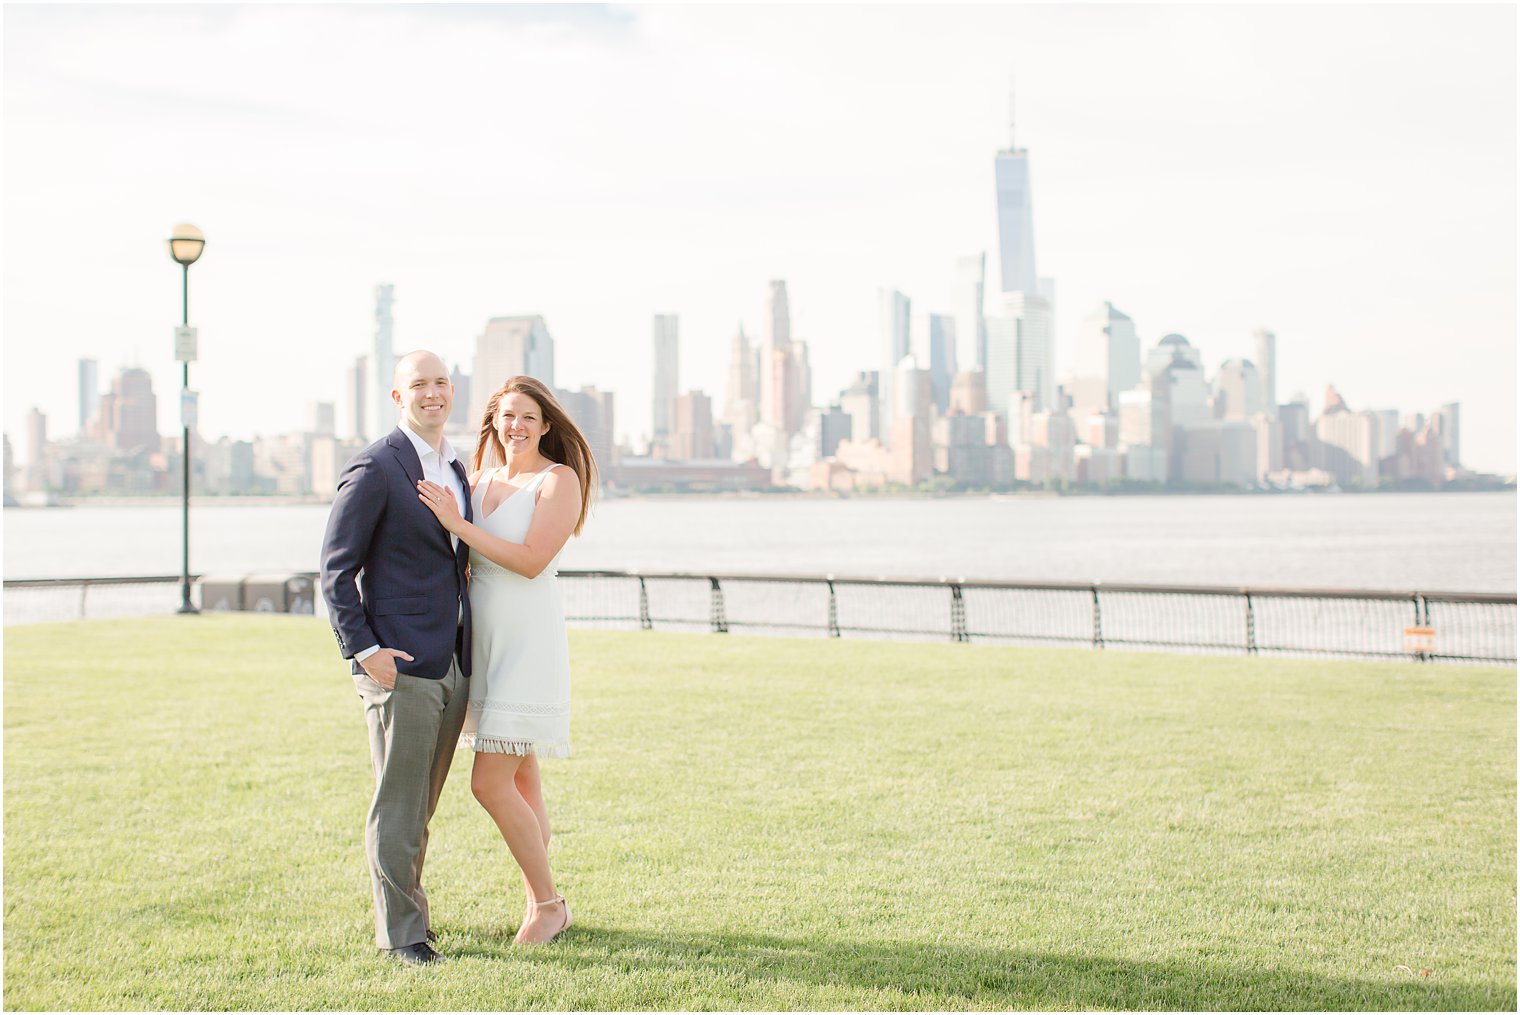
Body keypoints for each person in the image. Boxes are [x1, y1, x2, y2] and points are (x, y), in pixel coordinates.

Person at [415, 374, 596, 946]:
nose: (516, 427)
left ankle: (549, 906)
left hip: (528, 646)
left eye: (528, 418)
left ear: (546, 427)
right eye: (507, 416)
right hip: (483, 647)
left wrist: (459, 525)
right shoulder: (478, 478)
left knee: (489, 783)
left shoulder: (557, 480)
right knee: (523, 781)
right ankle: (537, 902)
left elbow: (532, 560)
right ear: (493, 420)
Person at [319, 350, 473, 966]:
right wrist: (365, 651)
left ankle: (413, 915)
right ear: (397, 396)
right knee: (399, 803)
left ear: (451, 392)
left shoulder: (455, 465)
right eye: (419, 385)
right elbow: (335, 571)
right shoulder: (377, 465)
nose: (431, 394)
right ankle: (401, 935)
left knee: (422, 803)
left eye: (439, 383)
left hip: (452, 661)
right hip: (401, 666)